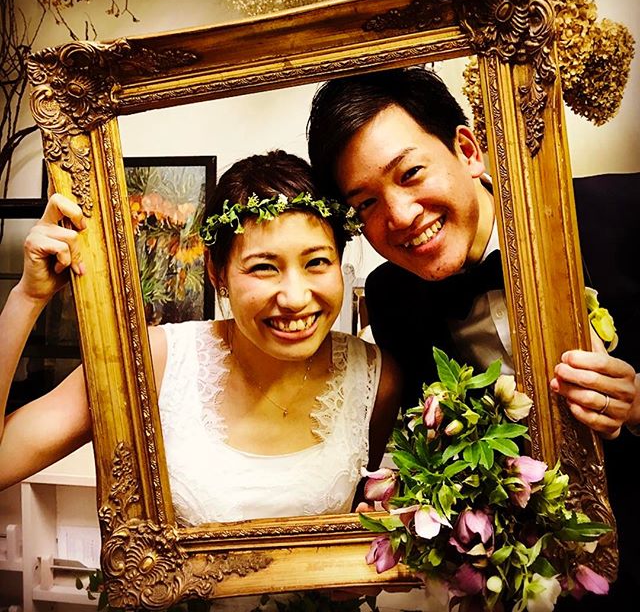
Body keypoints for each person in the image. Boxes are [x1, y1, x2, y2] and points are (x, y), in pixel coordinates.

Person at [0, 150, 401, 607]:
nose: (295, 297)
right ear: (216, 272)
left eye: (316, 263)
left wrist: (360, 567)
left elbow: (352, 542)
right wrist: (26, 297)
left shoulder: (376, 378)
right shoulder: (153, 362)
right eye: (263, 267)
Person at [306, 67, 640, 606]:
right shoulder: (392, 297)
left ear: (467, 150)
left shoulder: (623, 212)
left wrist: (639, 404)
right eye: (365, 203)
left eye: (411, 173)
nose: (400, 216)